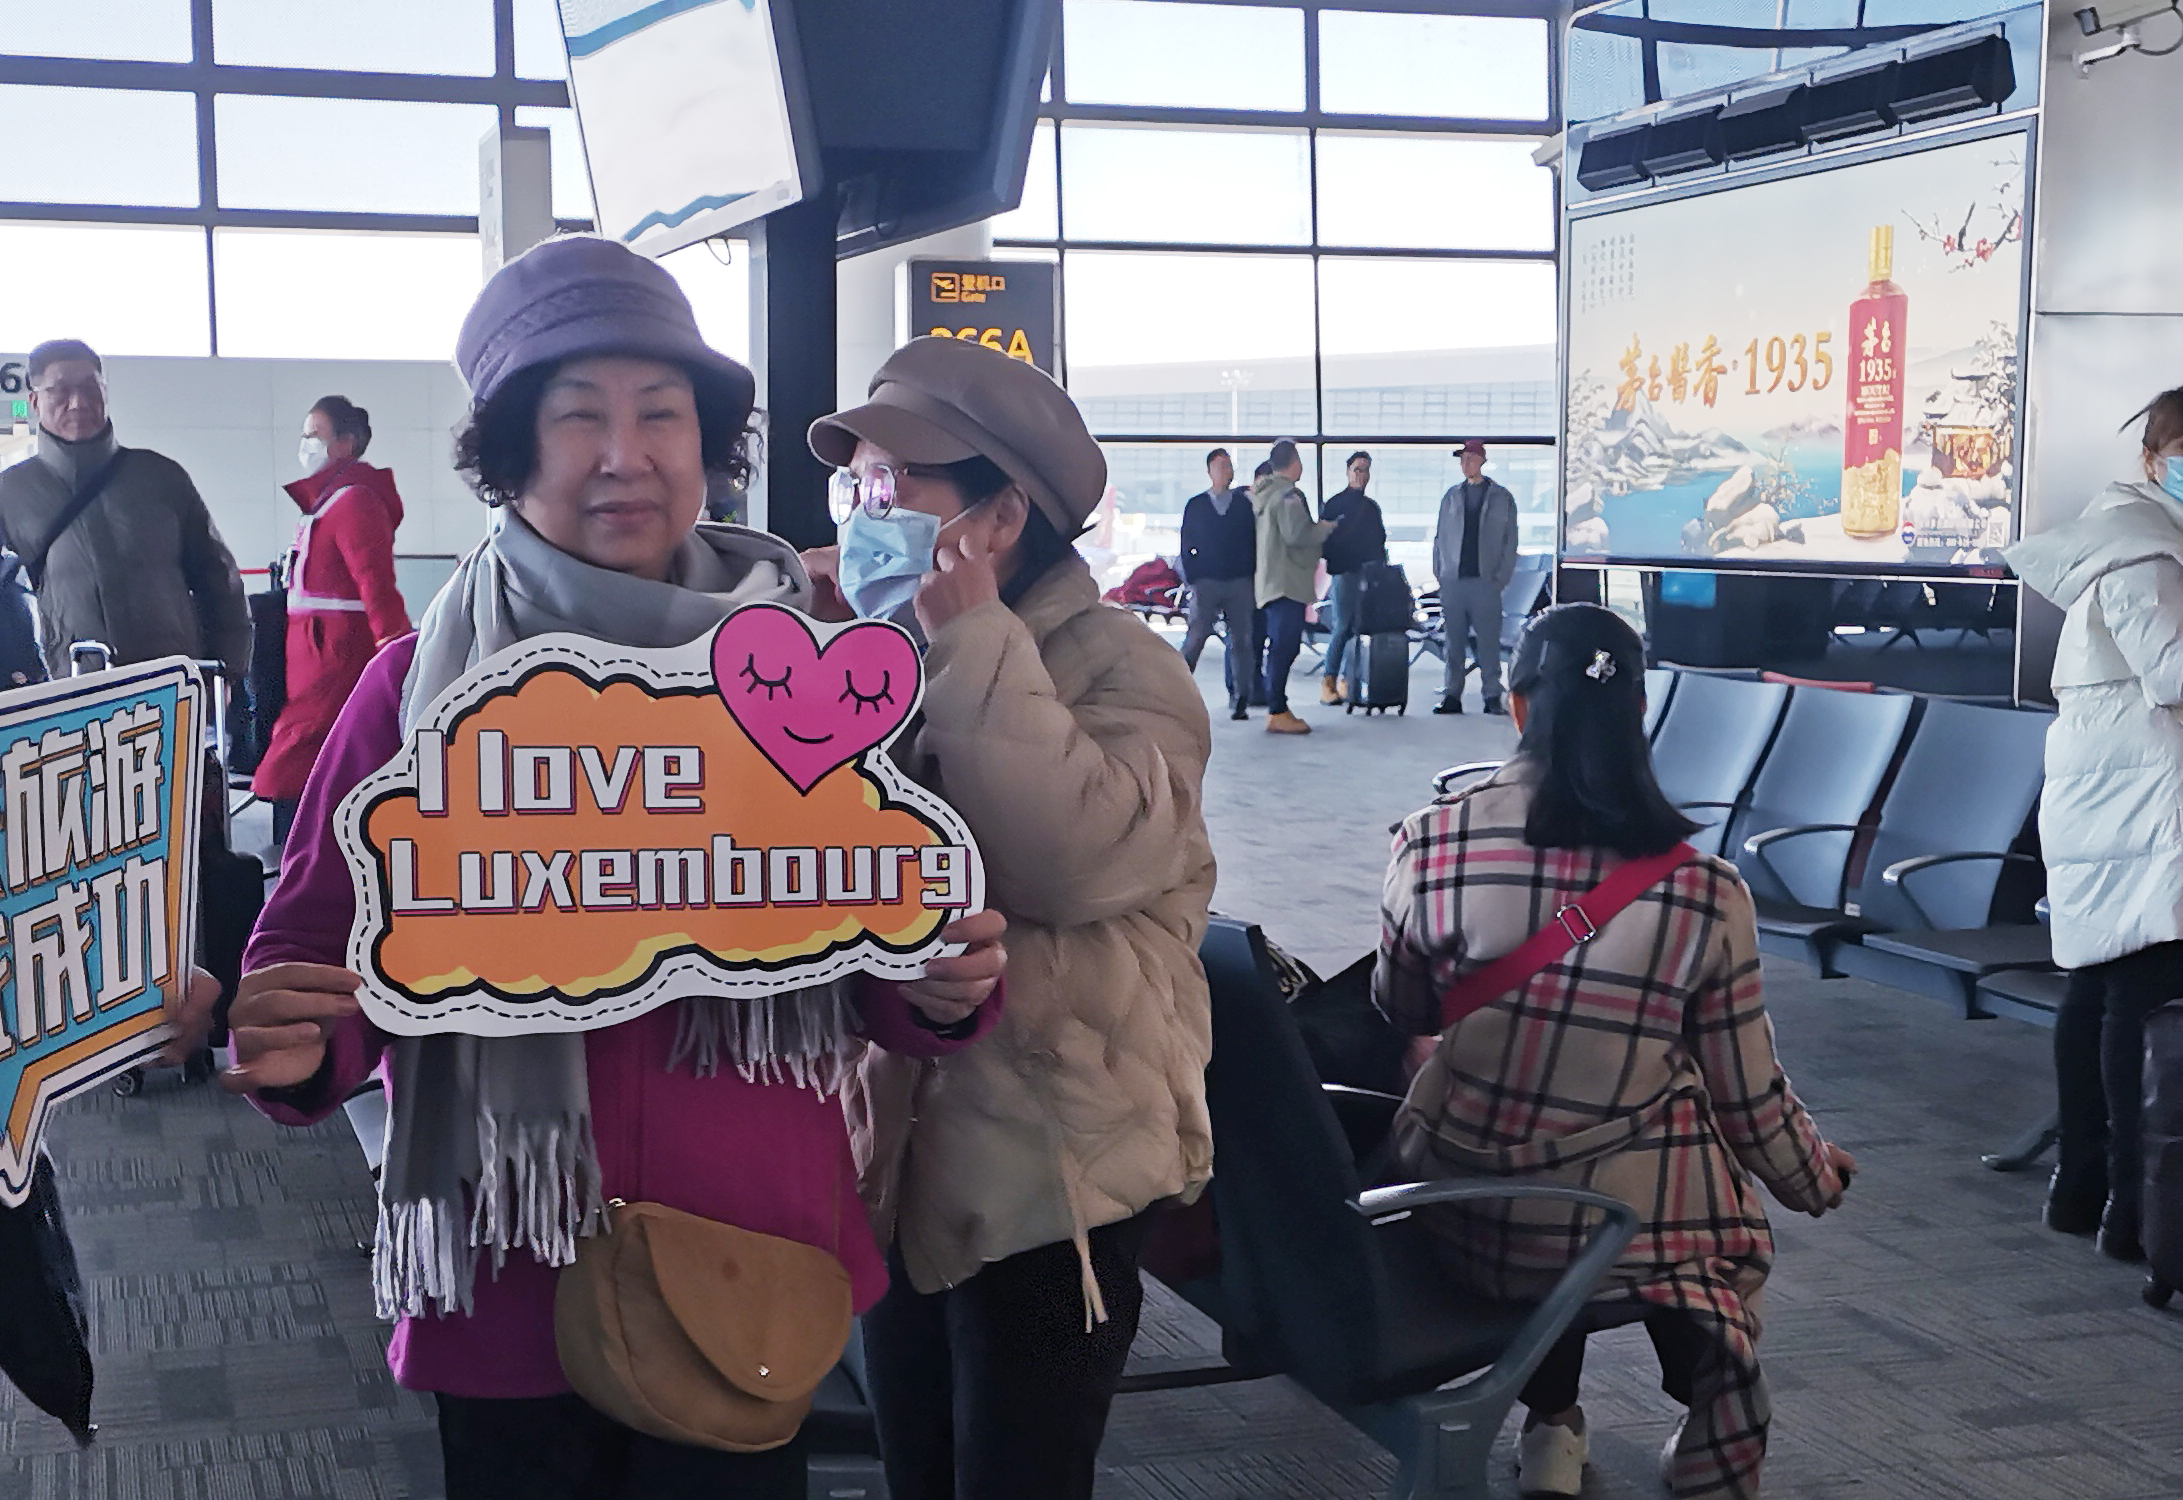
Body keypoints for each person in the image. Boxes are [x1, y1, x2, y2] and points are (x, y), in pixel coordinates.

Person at [219, 238, 1006, 1500]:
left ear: (708, 444)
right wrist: (301, 1045)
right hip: (507, 1263)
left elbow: (876, 931)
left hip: (747, 1267)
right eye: (577, 416)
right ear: (508, 452)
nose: (624, 454)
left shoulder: (814, 672)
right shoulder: (417, 692)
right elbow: (320, 949)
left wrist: (941, 989)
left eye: (662, 415)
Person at [802, 335, 1215, 1500]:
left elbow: (1070, 861)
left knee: (1016, 1469)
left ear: (1000, 517)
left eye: (896, 484)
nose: (869, 510)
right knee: (915, 1458)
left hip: (1057, 1164)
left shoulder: (1123, 667)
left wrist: (971, 635)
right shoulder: (884, 652)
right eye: (857, 486)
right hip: (903, 1140)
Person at [1376, 604, 1852, 1500]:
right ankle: (1708, 1430)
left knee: (1587, 1127)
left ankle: (1552, 1427)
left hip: (1453, 1210)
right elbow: (1747, 1098)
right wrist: (1812, 1177)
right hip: (1604, 1231)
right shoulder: (1704, 891)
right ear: (1638, 712)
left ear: (1518, 706)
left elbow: (1399, 1007)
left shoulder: (1428, 841)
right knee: (1678, 1131)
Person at [2005, 385, 2183, 1263]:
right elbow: (2173, 670)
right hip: (2140, 805)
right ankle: (2128, 1205)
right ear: (2153, 459)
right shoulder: (2143, 547)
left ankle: (2085, 1189)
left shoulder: (2133, 536)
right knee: (2139, 991)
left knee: (2102, 988)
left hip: (2115, 796)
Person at [0, 339, 250, 682]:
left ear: (105, 391)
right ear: (34, 400)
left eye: (90, 387)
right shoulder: (10, 493)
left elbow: (220, 581)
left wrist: (227, 670)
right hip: (66, 695)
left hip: (168, 688)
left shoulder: (161, 477)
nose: (78, 402)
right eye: (60, 390)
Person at [252, 396, 411, 846]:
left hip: (334, 655)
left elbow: (376, 586)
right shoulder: (327, 503)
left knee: (309, 746)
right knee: (311, 746)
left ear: (346, 443)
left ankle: (303, 848)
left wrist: (396, 654)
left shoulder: (354, 501)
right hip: (312, 652)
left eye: (314, 435)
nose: (305, 444)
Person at [1250, 439, 1335, 736]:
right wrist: (1324, 529)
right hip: (1287, 581)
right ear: (1294, 462)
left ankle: (1277, 706)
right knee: (1285, 646)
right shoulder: (1288, 495)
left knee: (1280, 645)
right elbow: (1297, 534)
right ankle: (1277, 710)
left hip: (1270, 581)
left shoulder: (1263, 494)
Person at [1431, 440, 1518, 716]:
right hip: (1454, 581)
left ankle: (1492, 695)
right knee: (1453, 642)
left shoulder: (1501, 498)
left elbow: (1510, 541)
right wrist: (1441, 573)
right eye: (1462, 459)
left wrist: (1500, 578)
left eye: (1470, 458)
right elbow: (1440, 537)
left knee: (1488, 642)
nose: (1465, 463)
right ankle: (1452, 695)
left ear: (1482, 460)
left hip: (1485, 582)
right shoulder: (1451, 496)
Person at [1176, 447, 1258, 721]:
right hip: (1207, 582)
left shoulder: (1243, 505)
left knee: (1242, 641)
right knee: (1196, 637)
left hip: (1239, 582)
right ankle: (1176, 690)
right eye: (1220, 466)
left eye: (1229, 466)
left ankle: (1241, 697)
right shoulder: (1197, 505)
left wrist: (1250, 572)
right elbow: (1187, 544)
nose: (1226, 471)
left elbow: (1253, 541)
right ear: (1209, 471)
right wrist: (1193, 577)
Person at [1317, 450, 1388, 705]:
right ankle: (1328, 681)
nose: (1361, 475)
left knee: (1359, 627)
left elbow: (1380, 543)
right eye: (1357, 469)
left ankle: (1349, 681)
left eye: (1365, 470)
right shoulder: (1335, 505)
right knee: (1343, 626)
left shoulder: (1371, 508)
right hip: (1344, 573)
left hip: (1368, 576)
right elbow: (1324, 541)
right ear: (1347, 472)